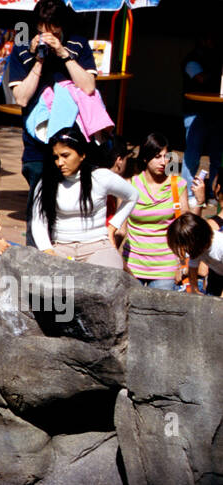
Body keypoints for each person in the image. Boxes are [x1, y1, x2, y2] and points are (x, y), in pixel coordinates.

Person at [7, 0, 99, 247]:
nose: (48, 34)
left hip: (71, 143)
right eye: (42, 28)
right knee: (38, 207)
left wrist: (64, 55)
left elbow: (89, 87)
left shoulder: (78, 44)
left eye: (54, 29)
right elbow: (22, 97)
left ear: (62, 26)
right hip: (37, 144)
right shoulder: (23, 47)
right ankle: (33, 258)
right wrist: (38, 60)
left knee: (71, 203)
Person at [31, 126, 136, 269]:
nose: (60, 162)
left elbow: (132, 195)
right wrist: (47, 249)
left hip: (98, 246)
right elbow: (38, 221)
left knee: (106, 280)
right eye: (56, 157)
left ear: (82, 154)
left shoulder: (100, 177)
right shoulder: (47, 182)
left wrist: (113, 225)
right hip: (61, 247)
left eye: (65, 155)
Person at [121, 132, 200, 290]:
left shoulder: (178, 185)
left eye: (166, 156)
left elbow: (187, 228)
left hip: (166, 266)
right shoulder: (129, 186)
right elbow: (120, 229)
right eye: (157, 156)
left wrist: (199, 202)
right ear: (145, 158)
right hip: (132, 265)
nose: (163, 162)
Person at [182, 30, 222, 210]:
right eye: (210, 38)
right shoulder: (193, 59)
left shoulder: (214, 57)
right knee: (192, 155)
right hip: (195, 112)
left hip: (215, 110)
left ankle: (214, 193)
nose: (213, 42)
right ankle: (187, 193)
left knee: (217, 154)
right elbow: (200, 78)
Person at [167, 212, 223, 295]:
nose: (185, 250)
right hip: (216, 274)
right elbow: (193, 267)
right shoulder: (196, 248)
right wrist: (194, 289)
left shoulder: (219, 246)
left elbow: (202, 271)